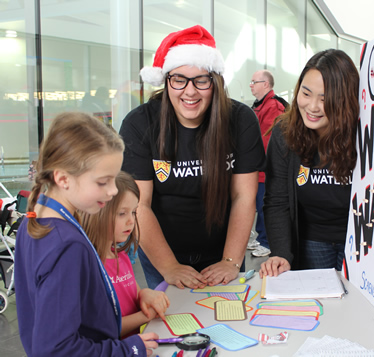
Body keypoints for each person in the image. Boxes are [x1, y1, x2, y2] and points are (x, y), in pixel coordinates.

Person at [119, 25, 265, 290]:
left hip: (223, 254)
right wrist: (169, 267)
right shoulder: (140, 123)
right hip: (162, 257)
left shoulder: (240, 120)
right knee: (174, 326)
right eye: (179, 79)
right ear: (166, 80)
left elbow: (244, 195)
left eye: (201, 80)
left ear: (216, 82)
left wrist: (231, 260)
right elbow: (140, 205)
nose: (190, 91)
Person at [14, 112, 158, 356]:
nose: (113, 191)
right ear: (63, 178)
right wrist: (128, 349)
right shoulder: (67, 245)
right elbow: (56, 349)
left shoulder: (33, 223)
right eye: (103, 182)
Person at [259, 49, 359, 278]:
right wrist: (281, 253)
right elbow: (277, 200)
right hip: (311, 239)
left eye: (325, 99)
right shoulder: (284, 133)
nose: (313, 107)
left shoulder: (364, 135)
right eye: (306, 93)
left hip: (357, 242)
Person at [81, 171, 170, 337]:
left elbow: (135, 294)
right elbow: (101, 328)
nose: (131, 220)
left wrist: (146, 294)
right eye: (122, 213)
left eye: (134, 212)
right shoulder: (89, 266)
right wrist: (146, 315)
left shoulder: (120, 256)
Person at [247, 70, 286, 258]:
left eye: (254, 81)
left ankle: (267, 242)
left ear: (266, 84)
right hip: (259, 167)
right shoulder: (261, 105)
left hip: (266, 168)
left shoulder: (273, 107)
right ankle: (262, 237)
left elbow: (270, 139)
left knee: (265, 206)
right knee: (259, 204)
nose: (250, 85)